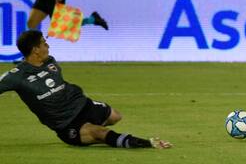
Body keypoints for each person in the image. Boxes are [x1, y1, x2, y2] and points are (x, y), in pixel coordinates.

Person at [0, 30, 171, 149]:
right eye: (44, 43)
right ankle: (147, 143)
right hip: (66, 124)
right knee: (100, 133)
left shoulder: (50, 61)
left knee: (115, 116)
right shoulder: (16, 76)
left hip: (82, 104)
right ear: (35, 49)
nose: (48, 46)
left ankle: (90, 130)